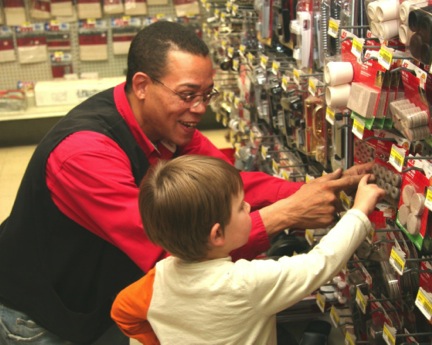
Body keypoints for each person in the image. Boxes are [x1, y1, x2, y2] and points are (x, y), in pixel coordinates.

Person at [0, 20, 373, 345]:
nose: (201, 108)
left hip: (106, 298)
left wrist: (316, 190)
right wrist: (285, 214)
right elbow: (171, 249)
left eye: (206, 94)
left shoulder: (167, 124)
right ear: (142, 85)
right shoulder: (84, 154)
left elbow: (227, 184)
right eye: (188, 95)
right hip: (45, 319)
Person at [110, 155, 385, 345]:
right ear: (217, 234)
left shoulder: (158, 277)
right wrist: (359, 211)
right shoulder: (247, 283)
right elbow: (322, 262)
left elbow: (122, 310)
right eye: (241, 206)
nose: (250, 208)